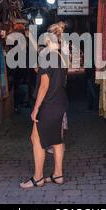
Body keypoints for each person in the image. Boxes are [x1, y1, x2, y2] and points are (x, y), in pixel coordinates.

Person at [20, 22, 69, 188]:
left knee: (36, 138)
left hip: (48, 103)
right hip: (60, 102)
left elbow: (44, 86)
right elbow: (55, 77)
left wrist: (35, 108)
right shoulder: (61, 56)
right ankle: (58, 175)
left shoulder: (47, 56)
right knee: (56, 139)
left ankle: (38, 178)